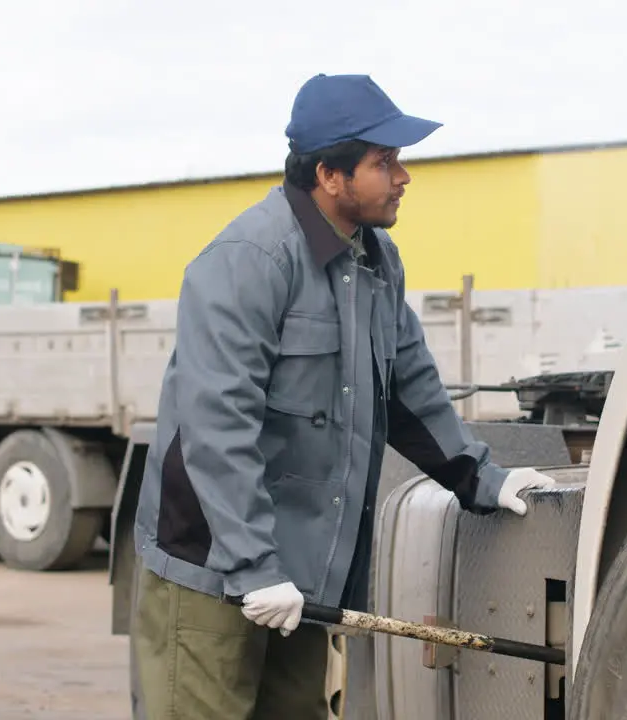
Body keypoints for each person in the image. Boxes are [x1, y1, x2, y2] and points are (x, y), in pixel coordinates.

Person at [129, 72, 557, 719]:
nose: (403, 176)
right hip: (212, 569)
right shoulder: (251, 258)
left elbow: (409, 389)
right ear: (330, 175)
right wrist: (252, 563)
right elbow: (217, 425)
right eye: (384, 162)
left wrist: (481, 477)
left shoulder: (377, 263)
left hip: (296, 576)